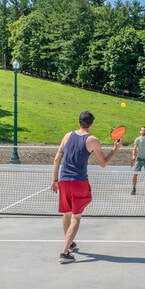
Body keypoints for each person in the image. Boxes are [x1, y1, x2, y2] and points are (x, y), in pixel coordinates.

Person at [51, 111, 121, 264]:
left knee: (67, 214)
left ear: (78, 122)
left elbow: (57, 159)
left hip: (63, 180)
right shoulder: (93, 140)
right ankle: (64, 253)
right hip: (79, 182)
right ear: (92, 124)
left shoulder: (67, 136)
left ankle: (68, 244)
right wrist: (115, 150)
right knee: (76, 217)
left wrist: (55, 179)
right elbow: (103, 163)